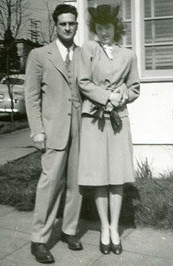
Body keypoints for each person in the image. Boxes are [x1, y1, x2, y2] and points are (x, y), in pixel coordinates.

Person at [78, 4, 140, 255]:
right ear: (95, 28)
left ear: (117, 27)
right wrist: (107, 97)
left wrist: (123, 94)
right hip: (93, 119)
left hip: (118, 120)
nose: (104, 32)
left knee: (116, 176)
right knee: (99, 176)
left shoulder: (129, 55)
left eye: (108, 27)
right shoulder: (89, 49)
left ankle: (115, 228)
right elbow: (83, 81)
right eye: (100, 27)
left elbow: (135, 87)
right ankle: (104, 227)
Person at [24, 4, 83, 264]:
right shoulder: (39, 55)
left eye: (72, 23)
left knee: (76, 186)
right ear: (55, 26)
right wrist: (37, 131)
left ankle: (69, 231)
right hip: (53, 132)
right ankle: (39, 240)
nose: (68, 28)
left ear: (77, 25)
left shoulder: (84, 54)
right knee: (48, 186)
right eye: (63, 24)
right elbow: (32, 96)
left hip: (81, 132)